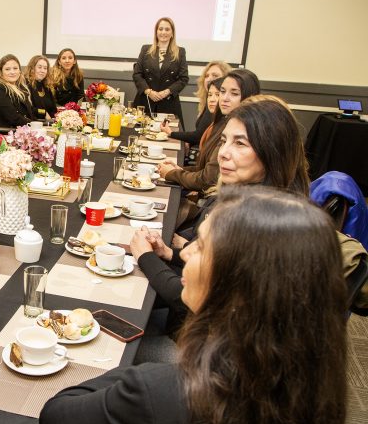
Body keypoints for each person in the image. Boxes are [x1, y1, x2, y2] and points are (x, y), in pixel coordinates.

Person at [41, 186, 347, 424]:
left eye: (201, 246)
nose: (185, 254)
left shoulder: (165, 397)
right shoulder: (310, 384)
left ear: (240, 284)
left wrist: (133, 375)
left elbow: (57, 417)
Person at [132, 96, 309, 332]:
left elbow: (192, 301)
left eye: (240, 143)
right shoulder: (250, 199)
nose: (223, 153)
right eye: (224, 141)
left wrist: (147, 258)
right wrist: (168, 253)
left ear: (272, 152)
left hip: (201, 347)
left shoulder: (260, 223)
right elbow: (212, 266)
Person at [158, 69, 261, 196]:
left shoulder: (240, 130)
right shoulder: (222, 122)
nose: (224, 98)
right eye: (222, 92)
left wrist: (173, 173)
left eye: (234, 94)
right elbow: (206, 170)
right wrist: (179, 170)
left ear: (249, 97)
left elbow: (208, 180)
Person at [132, 17, 189, 122]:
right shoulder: (145, 49)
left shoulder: (180, 52)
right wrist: (149, 92)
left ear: (172, 33)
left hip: (168, 103)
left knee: (167, 135)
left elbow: (183, 78)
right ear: (156, 32)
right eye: (160, 29)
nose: (163, 32)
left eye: (167, 29)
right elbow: (137, 74)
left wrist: (166, 92)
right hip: (145, 101)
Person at [161, 60, 231, 145]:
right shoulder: (208, 102)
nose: (209, 79)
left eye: (215, 75)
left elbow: (198, 136)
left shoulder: (222, 108)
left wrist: (171, 133)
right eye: (206, 76)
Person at [0, 54, 33, 128]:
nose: (12, 72)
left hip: (25, 129)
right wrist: (35, 125)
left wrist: (40, 124)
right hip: (9, 133)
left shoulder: (21, 88)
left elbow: (30, 113)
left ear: (19, 71)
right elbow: (14, 119)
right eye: (7, 69)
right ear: (1, 72)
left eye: (15, 68)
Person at [25, 55, 57, 120]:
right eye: (39, 67)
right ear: (32, 68)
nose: (42, 71)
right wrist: (44, 112)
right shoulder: (25, 85)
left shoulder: (46, 86)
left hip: (48, 124)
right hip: (33, 123)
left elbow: (54, 108)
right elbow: (28, 108)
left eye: (45, 68)